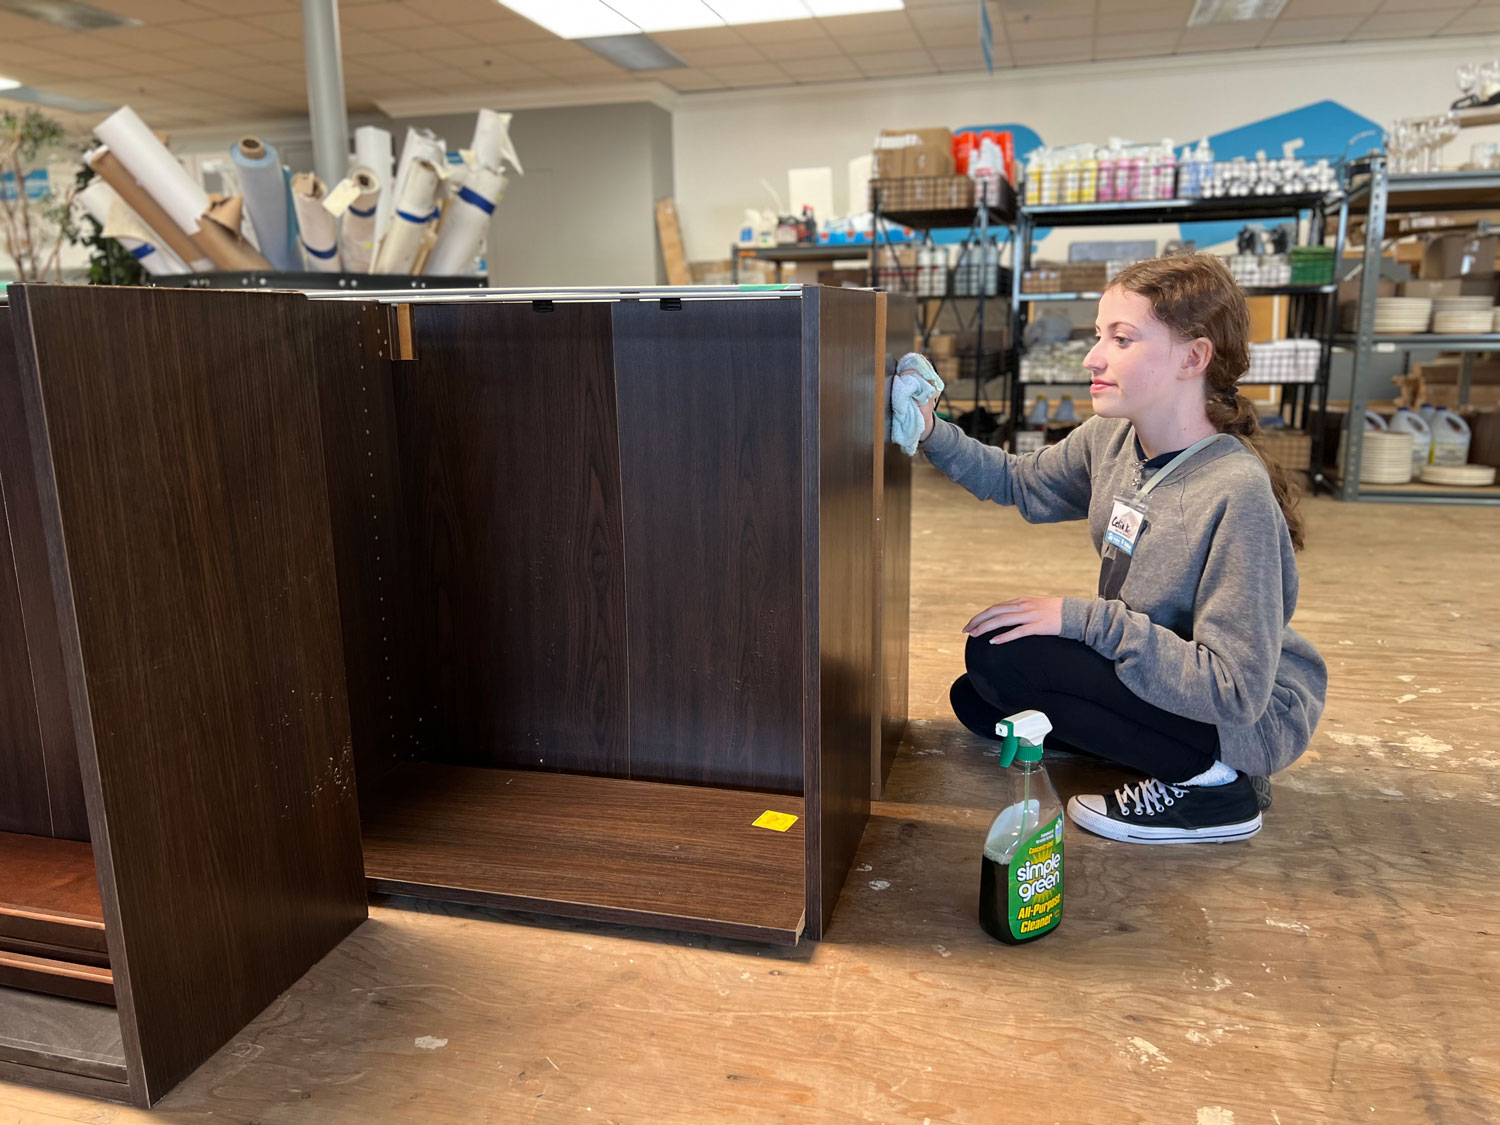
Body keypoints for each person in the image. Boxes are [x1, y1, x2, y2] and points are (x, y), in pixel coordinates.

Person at [915, 253, 1326, 844]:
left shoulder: (1235, 492)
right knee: (978, 699)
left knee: (1003, 662)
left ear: (1194, 358)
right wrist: (931, 430)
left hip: (1242, 715)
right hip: (1159, 666)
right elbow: (1019, 481)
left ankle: (1217, 788)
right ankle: (1156, 743)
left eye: (1122, 338)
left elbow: (1234, 689)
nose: (1092, 357)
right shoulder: (1114, 436)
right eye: (1098, 335)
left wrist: (1079, 620)